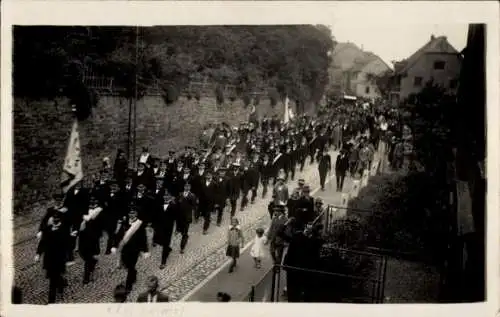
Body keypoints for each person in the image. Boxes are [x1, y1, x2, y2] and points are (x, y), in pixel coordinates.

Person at [112, 207, 149, 293]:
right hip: (124, 249)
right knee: (127, 265)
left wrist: (145, 250)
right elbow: (119, 234)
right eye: (130, 213)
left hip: (134, 250)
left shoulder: (140, 224)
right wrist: (114, 245)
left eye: (133, 213)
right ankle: (134, 273)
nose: (131, 215)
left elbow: (143, 238)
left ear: (136, 214)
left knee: (131, 267)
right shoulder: (125, 222)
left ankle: (129, 285)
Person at [35, 211, 69, 303]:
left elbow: (67, 245)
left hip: (59, 259)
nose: (55, 219)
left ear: (60, 219)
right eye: (54, 218)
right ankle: (61, 282)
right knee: (52, 277)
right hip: (49, 258)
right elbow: (42, 242)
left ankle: (51, 301)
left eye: (57, 218)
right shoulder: (47, 229)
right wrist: (38, 254)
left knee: (52, 280)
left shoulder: (64, 230)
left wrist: (67, 258)